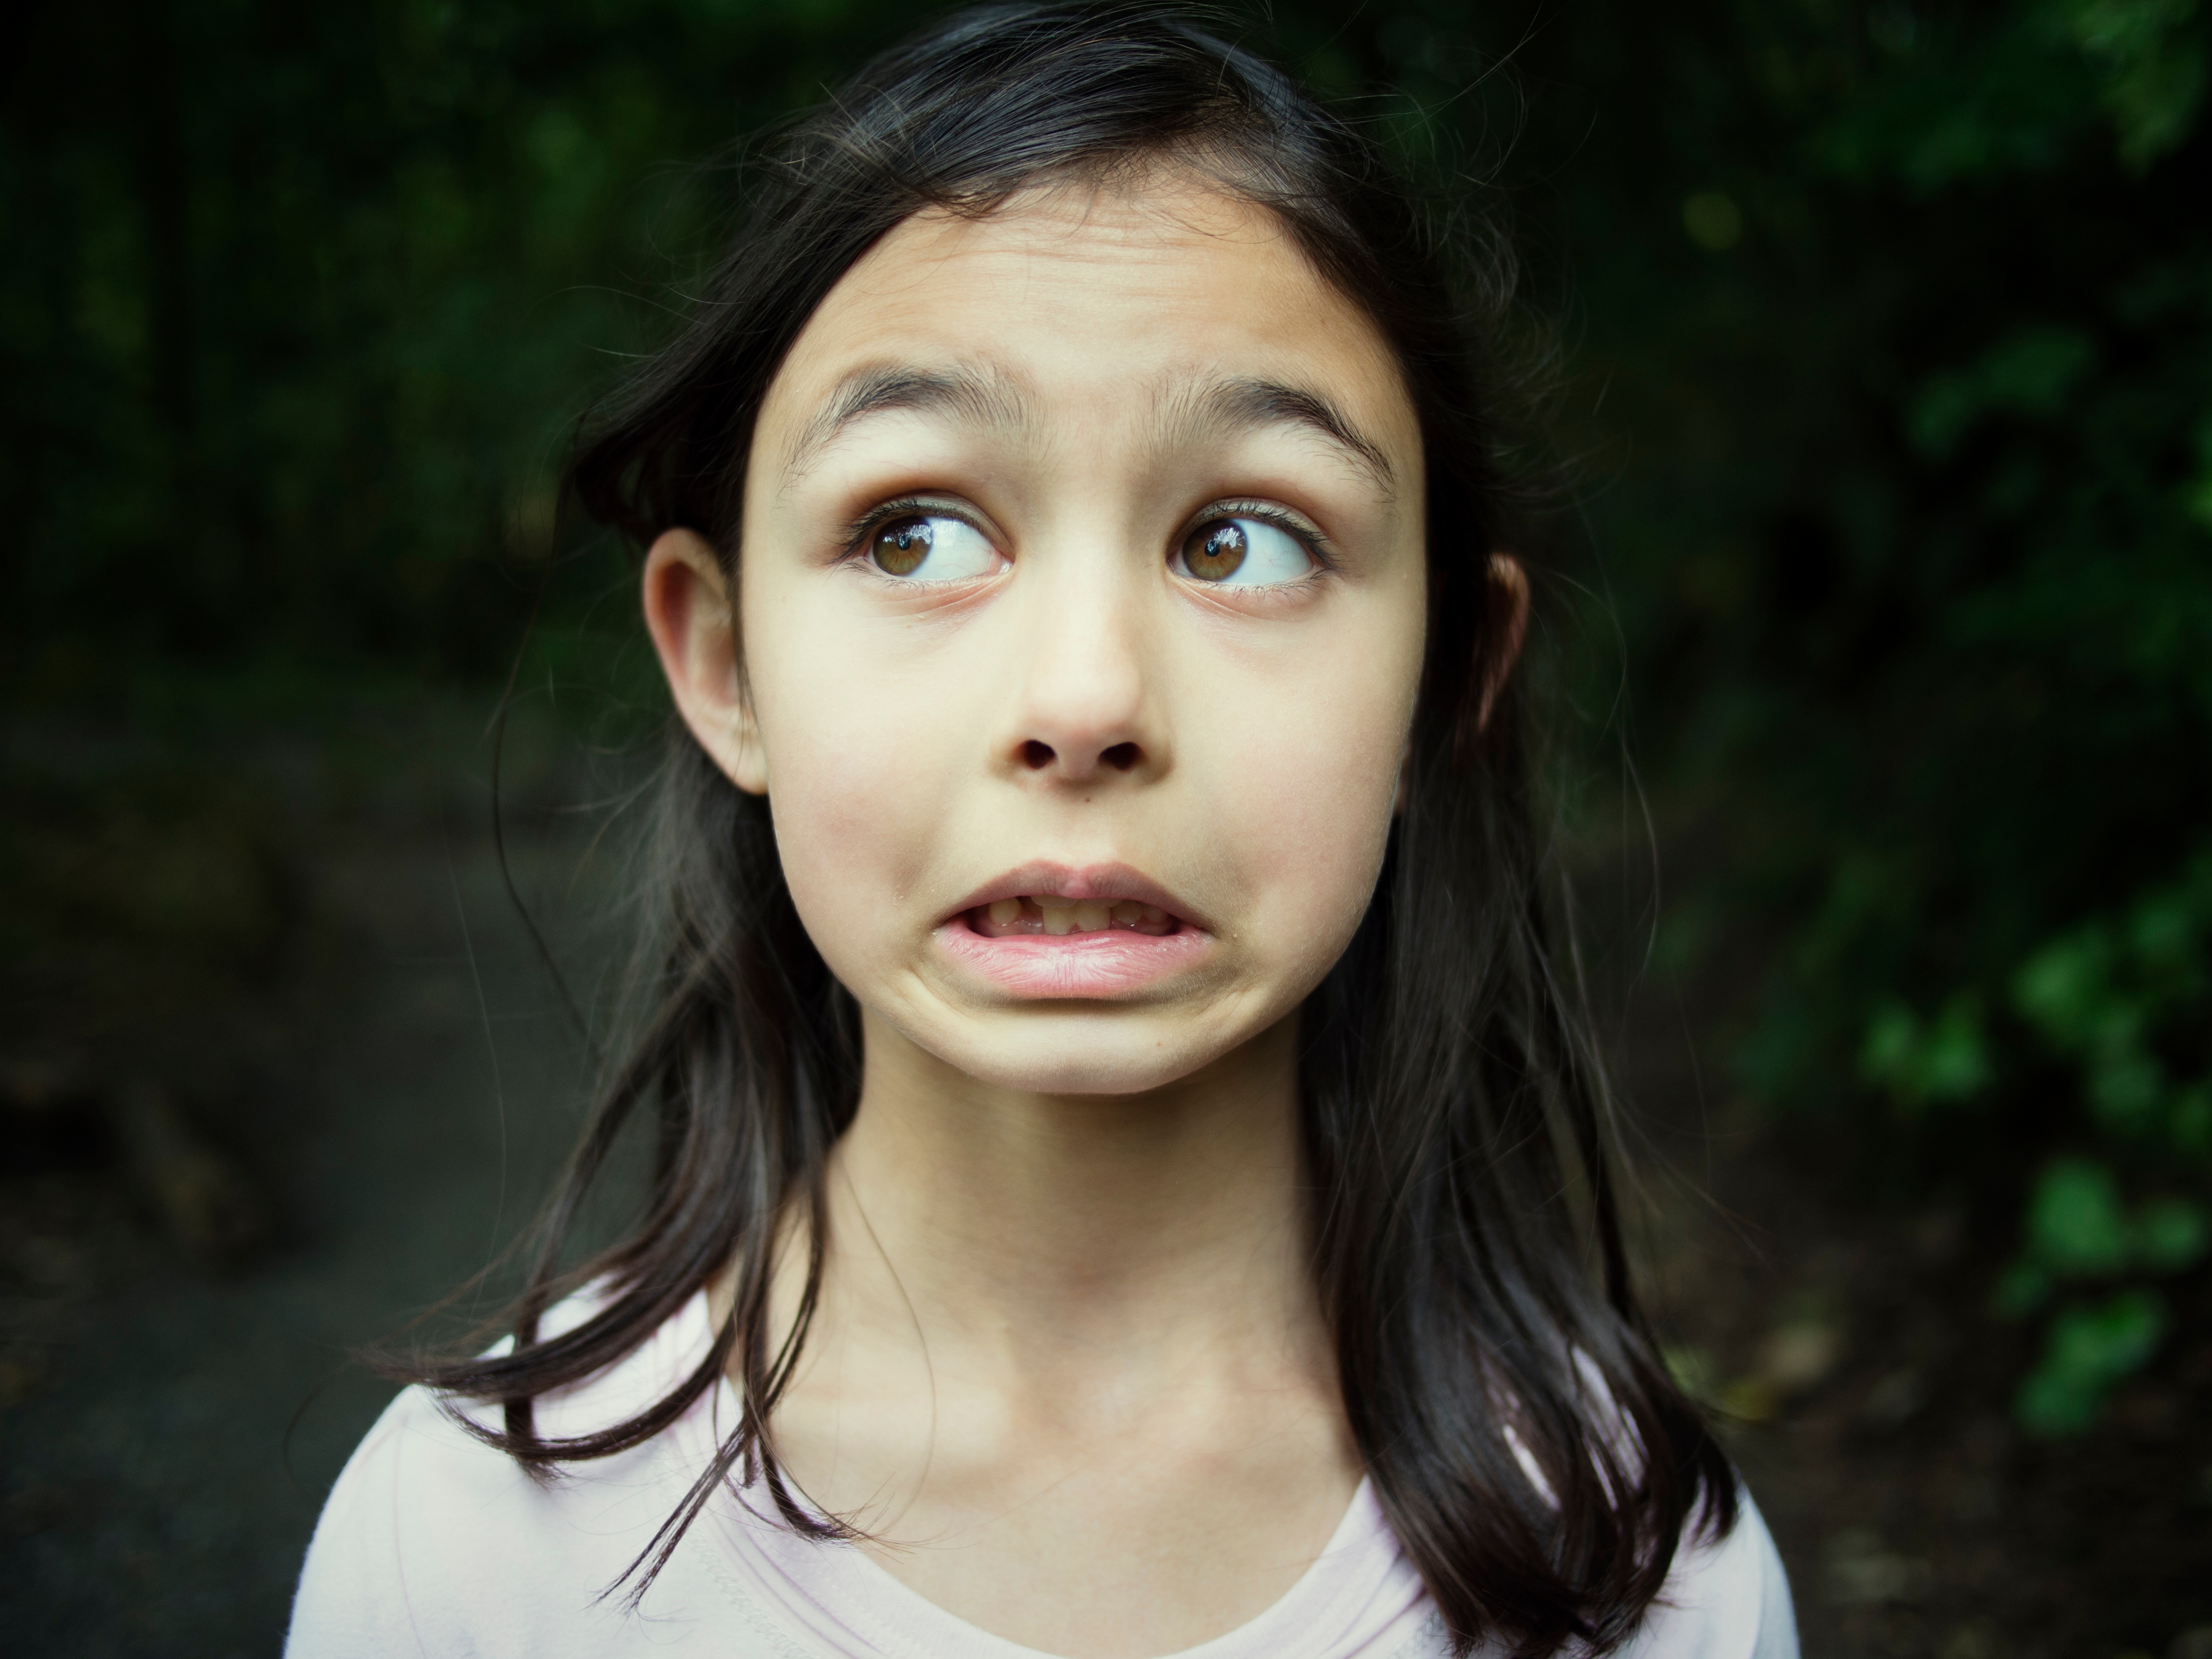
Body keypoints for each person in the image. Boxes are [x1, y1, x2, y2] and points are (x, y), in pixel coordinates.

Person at [288, 5, 1797, 1655]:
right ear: (726, 666)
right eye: (917, 532)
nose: (1085, 701)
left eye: (1245, 541)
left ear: (1445, 681)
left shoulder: (1639, 1568)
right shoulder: (471, 1550)